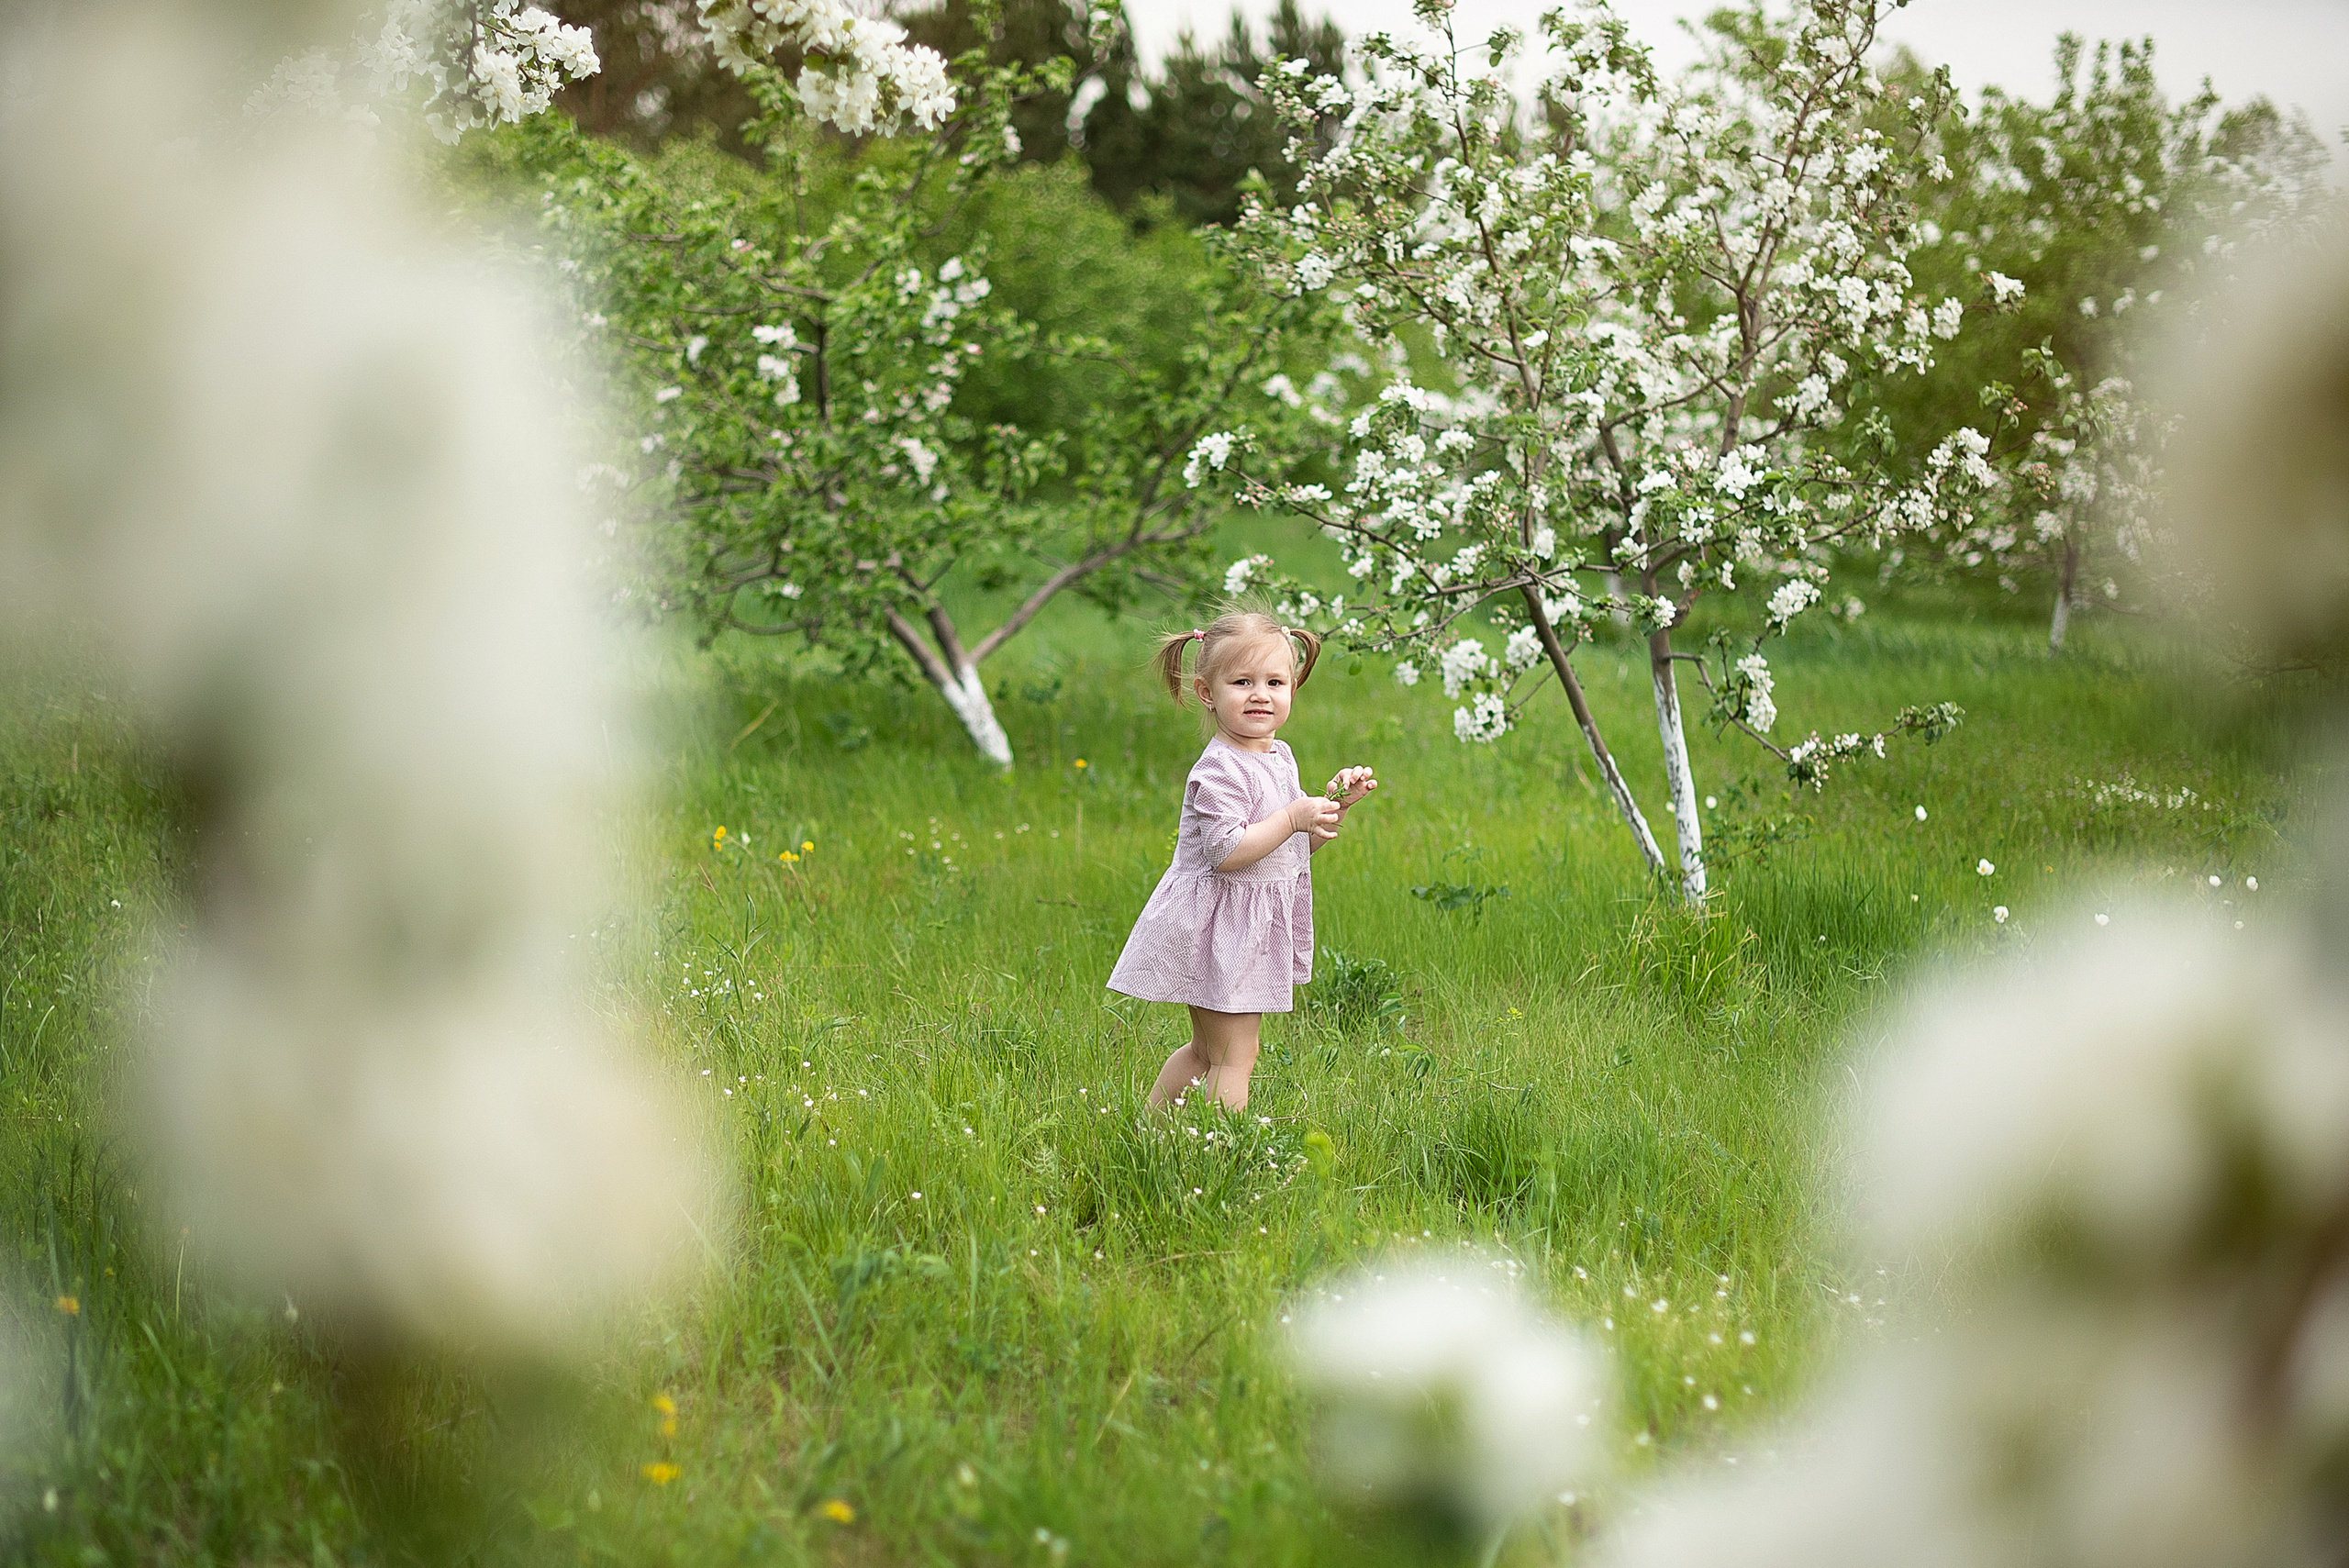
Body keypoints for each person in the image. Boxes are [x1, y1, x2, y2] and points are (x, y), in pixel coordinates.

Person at [1107, 606, 1378, 1111]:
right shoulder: (1219, 770)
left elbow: (1288, 853)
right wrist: (1292, 818)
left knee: (1208, 1050)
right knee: (1235, 1056)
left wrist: (1328, 811)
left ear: (1293, 689)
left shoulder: (1279, 757)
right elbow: (1229, 852)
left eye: (1275, 681)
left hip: (1241, 926)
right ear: (1208, 692)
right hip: (1217, 926)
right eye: (1243, 681)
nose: (1261, 694)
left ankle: (1151, 1133)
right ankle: (1218, 1153)